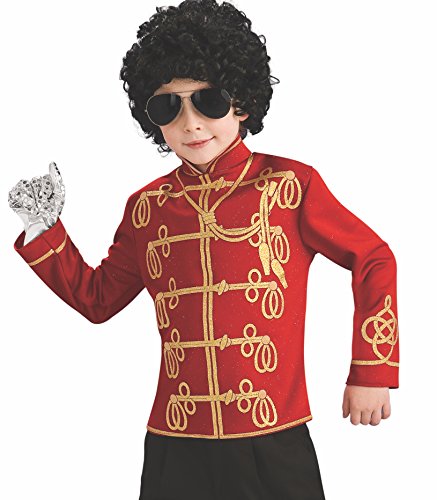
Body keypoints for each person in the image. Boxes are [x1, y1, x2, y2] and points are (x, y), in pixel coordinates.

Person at [8, 1, 399, 498]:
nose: (190, 123)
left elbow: (373, 257)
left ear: (244, 102)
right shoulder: (147, 208)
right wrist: (44, 230)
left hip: (272, 436)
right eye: (168, 107)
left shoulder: (290, 185)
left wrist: (371, 371)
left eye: (209, 101)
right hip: (176, 442)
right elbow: (98, 298)